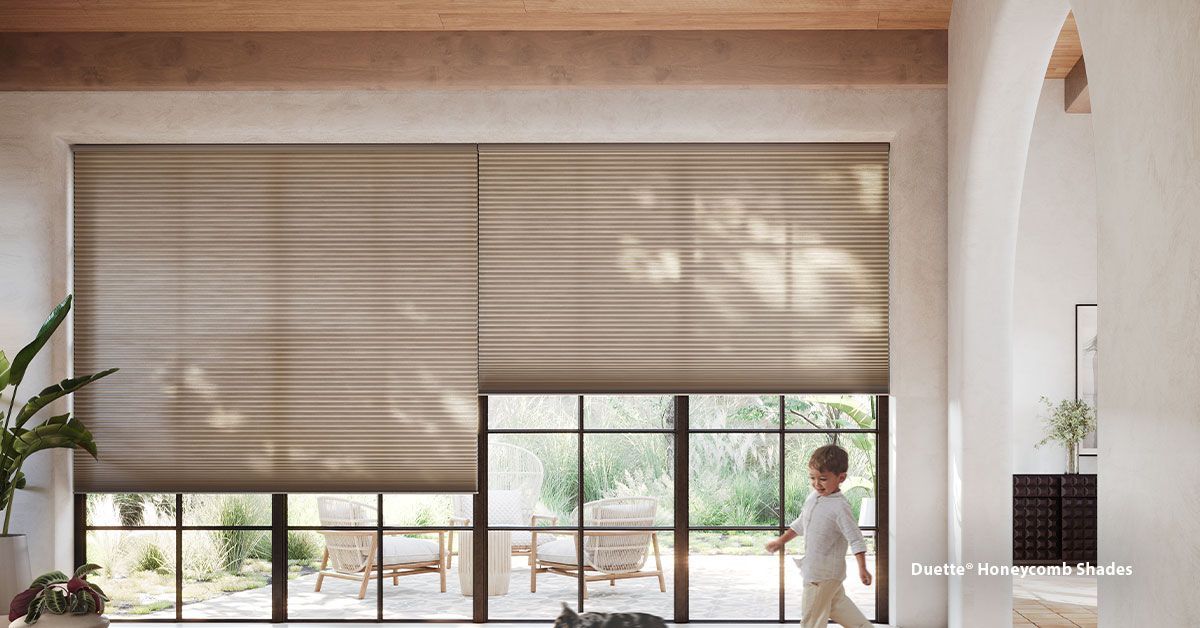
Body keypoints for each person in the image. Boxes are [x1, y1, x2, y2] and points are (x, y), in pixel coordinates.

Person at [765, 444, 872, 628]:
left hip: (822, 576)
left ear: (841, 478)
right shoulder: (814, 497)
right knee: (838, 607)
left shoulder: (840, 507)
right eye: (812, 478)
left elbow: (855, 538)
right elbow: (801, 523)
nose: (816, 483)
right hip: (822, 573)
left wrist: (862, 568)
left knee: (812, 620)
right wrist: (780, 541)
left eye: (823, 479)